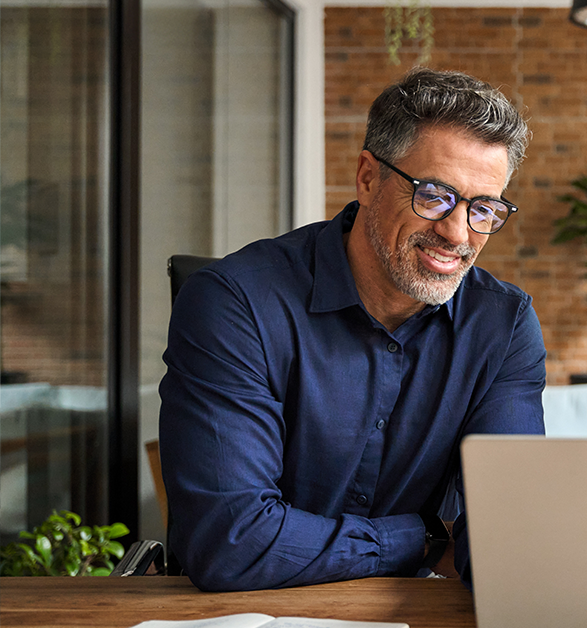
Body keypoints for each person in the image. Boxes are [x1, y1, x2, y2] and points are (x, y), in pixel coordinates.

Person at [159, 68, 545, 592]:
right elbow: (231, 543)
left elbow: (510, 538)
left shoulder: (502, 325)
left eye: (484, 209)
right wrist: (422, 539)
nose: (458, 233)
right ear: (367, 178)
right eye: (434, 195)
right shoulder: (235, 303)